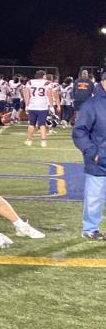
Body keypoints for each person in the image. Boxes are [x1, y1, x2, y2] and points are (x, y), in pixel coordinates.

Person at [72, 90, 106, 240]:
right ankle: (91, 229)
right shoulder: (92, 104)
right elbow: (79, 130)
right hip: (100, 158)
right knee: (95, 195)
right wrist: (92, 152)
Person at [23, 70, 55, 147]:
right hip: (43, 106)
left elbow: (27, 94)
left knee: (31, 124)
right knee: (42, 124)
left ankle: (29, 140)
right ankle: (43, 141)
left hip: (32, 106)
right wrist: (51, 106)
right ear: (43, 76)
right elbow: (49, 94)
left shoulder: (30, 82)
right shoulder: (47, 83)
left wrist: (26, 105)